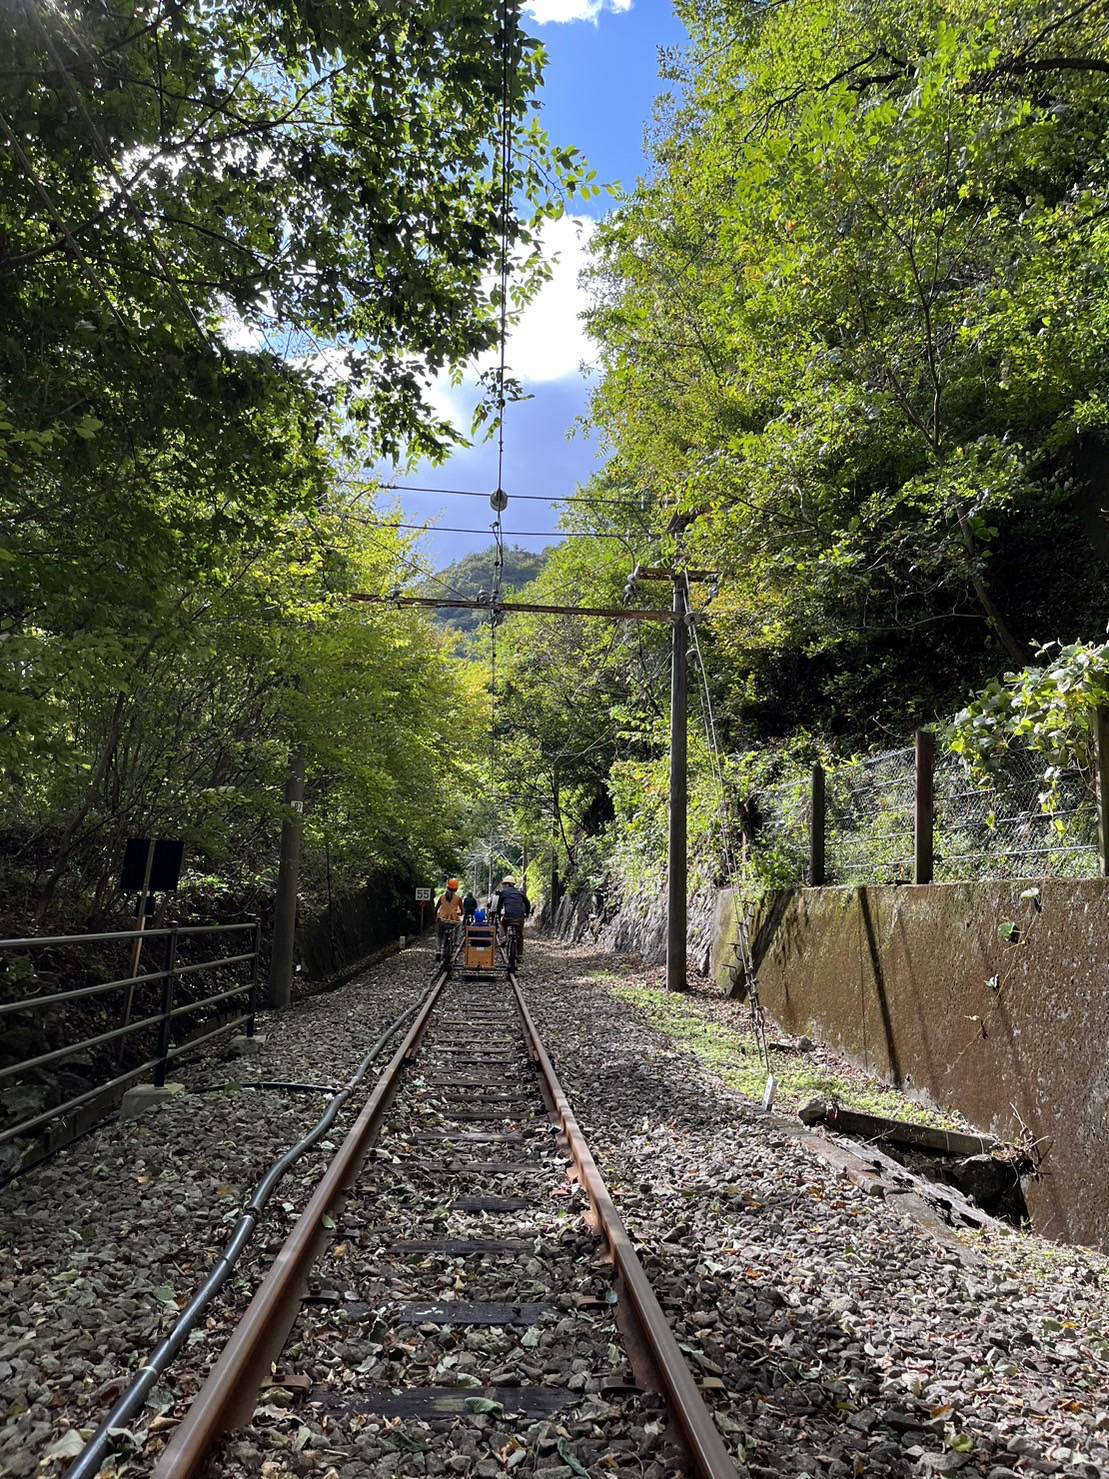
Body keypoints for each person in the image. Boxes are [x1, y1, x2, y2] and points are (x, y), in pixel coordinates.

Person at [492, 875, 530, 961]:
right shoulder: (520, 893)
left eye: (504, 884)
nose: (503, 886)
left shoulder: (503, 893)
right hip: (520, 918)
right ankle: (520, 955)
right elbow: (527, 903)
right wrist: (527, 913)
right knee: (519, 935)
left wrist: (498, 914)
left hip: (508, 917)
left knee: (502, 923)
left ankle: (504, 937)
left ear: (508, 884)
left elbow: (499, 906)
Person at [435, 879, 462, 962]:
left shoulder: (442, 897)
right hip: (453, 922)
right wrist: (460, 914)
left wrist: (436, 916)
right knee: (460, 923)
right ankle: (457, 940)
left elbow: (436, 908)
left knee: (439, 936)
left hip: (442, 921)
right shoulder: (458, 898)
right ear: (456, 889)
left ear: (447, 887)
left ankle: (438, 951)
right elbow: (462, 910)